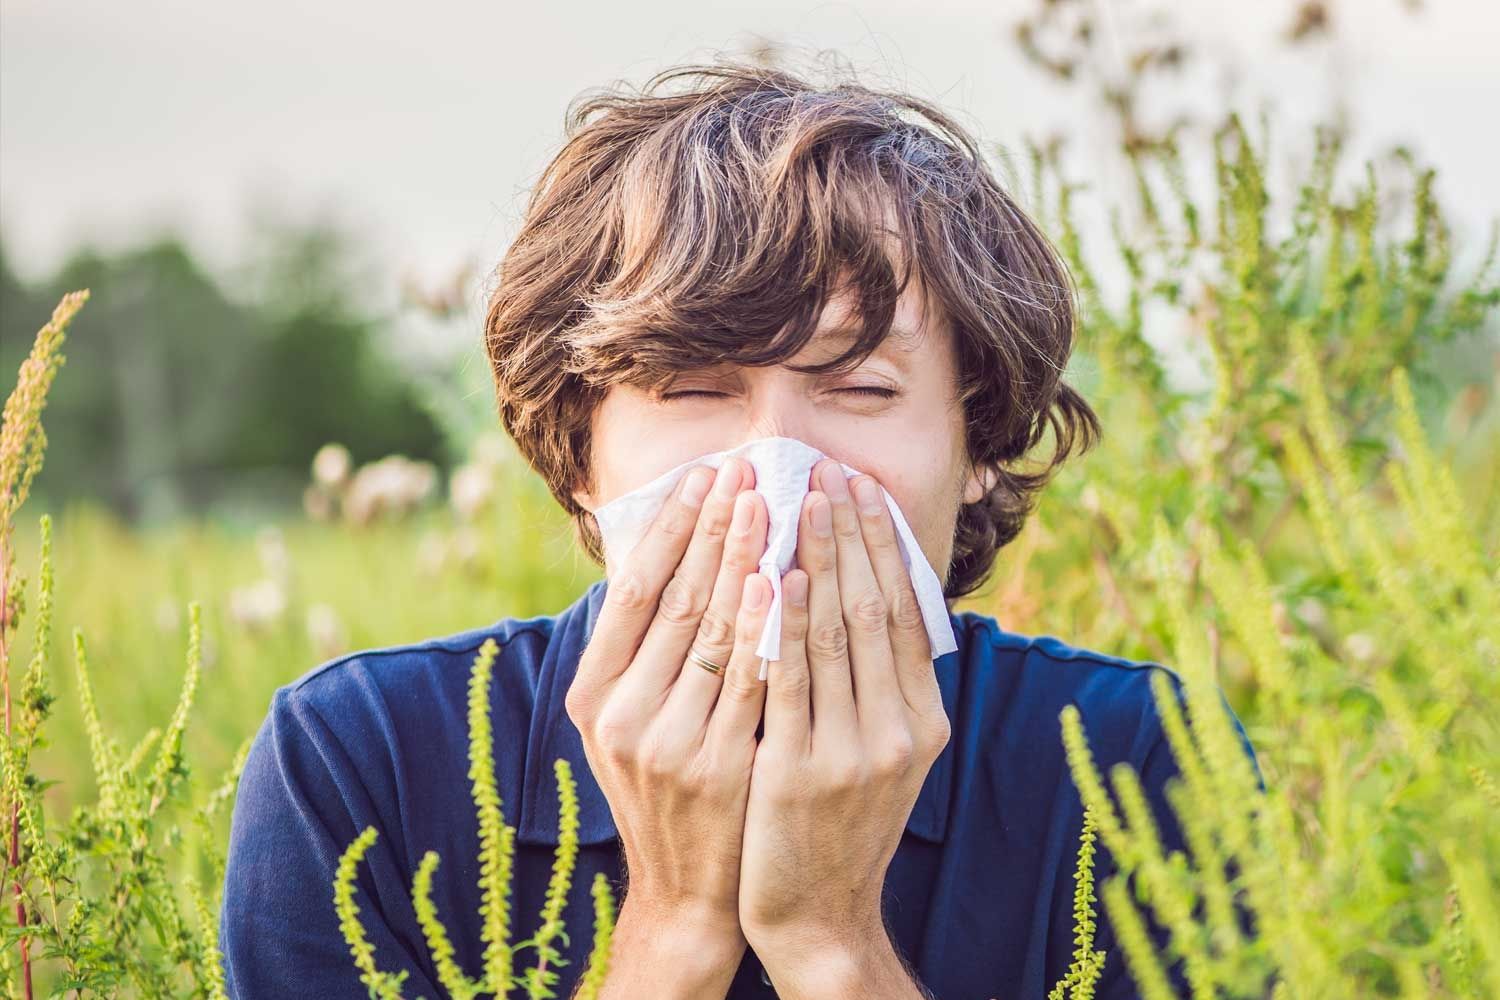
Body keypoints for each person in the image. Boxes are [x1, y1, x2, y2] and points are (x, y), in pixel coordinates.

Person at [219, 59, 1261, 999]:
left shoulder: (1138, 767)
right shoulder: (362, 765)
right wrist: (673, 929)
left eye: (858, 386)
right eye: (692, 389)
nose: (776, 471)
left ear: (977, 439)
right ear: (580, 454)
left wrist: (832, 943)